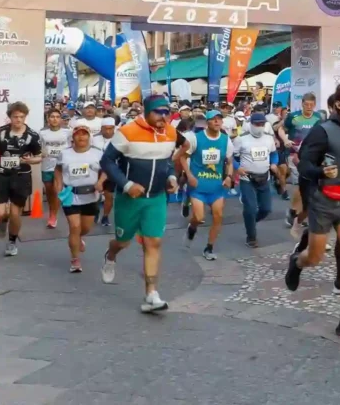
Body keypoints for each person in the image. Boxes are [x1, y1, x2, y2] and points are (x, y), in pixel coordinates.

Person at [285, 82, 340, 343]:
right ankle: (297, 261)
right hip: (324, 201)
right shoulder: (323, 132)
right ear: (338, 105)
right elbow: (304, 164)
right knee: (315, 258)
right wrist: (321, 173)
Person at [99, 95, 180, 313]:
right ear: (146, 111)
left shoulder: (171, 132)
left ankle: (151, 294)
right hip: (129, 199)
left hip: (156, 197)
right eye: (158, 112)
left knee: (153, 242)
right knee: (123, 242)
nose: (163, 117)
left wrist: (171, 179)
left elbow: (168, 161)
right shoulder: (127, 131)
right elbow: (106, 161)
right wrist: (126, 185)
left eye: (167, 112)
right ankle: (111, 254)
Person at [0, 101, 43, 257]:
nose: (18, 120)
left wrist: (30, 160)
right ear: (10, 117)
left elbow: (39, 156)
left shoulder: (32, 136)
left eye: (21, 117)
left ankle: (12, 242)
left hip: (21, 177)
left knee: (16, 214)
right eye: (15, 117)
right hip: (2, 175)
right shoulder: (0, 133)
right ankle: (3, 219)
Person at [180, 109, 235, 260]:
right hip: (198, 185)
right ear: (207, 122)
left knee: (218, 216)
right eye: (213, 119)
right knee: (199, 217)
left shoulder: (225, 140)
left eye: (219, 119)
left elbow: (230, 162)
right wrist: (189, 176)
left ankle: (209, 248)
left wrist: (229, 176)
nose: (217, 121)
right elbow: (183, 158)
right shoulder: (196, 138)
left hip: (216, 187)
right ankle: (192, 228)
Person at [56, 125, 104, 273]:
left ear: (89, 137)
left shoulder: (97, 153)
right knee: (74, 227)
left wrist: (100, 182)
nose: (81, 137)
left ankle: (78, 238)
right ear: (73, 137)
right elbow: (57, 170)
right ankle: (75, 260)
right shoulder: (65, 154)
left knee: (85, 228)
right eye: (78, 134)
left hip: (90, 196)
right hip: (71, 195)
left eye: (84, 134)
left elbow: (106, 170)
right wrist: (58, 188)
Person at [282, 93, 325, 235]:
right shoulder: (293, 117)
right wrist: (285, 140)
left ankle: (296, 211)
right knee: (301, 183)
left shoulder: (319, 118)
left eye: (311, 105)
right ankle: (297, 211)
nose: (309, 107)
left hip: (312, 155)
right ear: (302, 104)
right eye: (306, 104)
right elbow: (281, 129)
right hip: (296, 154)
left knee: (306, 184)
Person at [233, 112, 276, 248]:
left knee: (266, 209)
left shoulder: (269, 138)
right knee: (251, 208)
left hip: (264, 177)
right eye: (257, 124)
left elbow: (274, 154)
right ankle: (251, 236)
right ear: (250, 124)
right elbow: (231, 157)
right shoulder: (241, 139)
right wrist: (237, 167)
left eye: (262, 124)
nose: (259, 127)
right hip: (248, 178)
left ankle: (250, 222)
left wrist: (274, 162)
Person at [39, 108, 71, 230]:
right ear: (48, 119)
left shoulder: (68, 132)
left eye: (57, 117)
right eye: (52, 117)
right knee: (49, 191)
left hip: (61, 167)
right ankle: (53, 210)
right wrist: (41, 152)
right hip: (47, 166)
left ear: (61, 119)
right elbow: (39, 148)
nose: (55, 119)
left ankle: (53, 215)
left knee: (57, 191)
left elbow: (73, 145)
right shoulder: (42, 133)